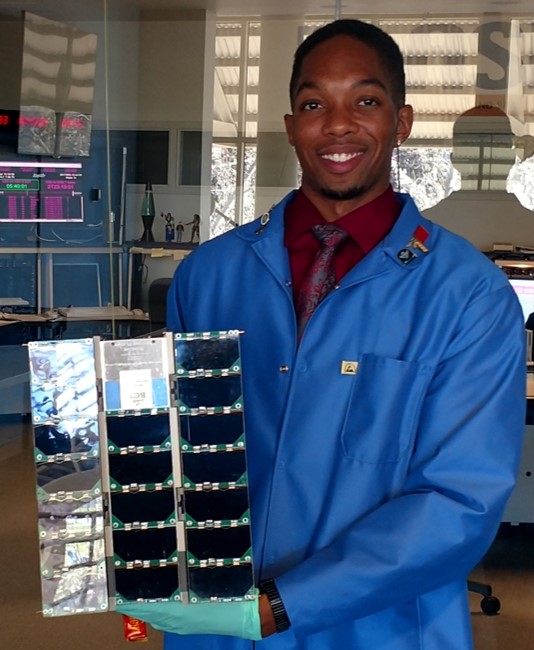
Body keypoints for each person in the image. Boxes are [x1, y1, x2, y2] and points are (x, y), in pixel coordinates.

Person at [119, 18, 526, 650]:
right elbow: (171, 453)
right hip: (216, 623)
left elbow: (459, 502)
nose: (338, 125)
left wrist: (279, 609)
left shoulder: (468, 296)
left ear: (403, 122)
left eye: (366, 101)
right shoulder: (208, 275)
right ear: (291, 126)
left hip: (381, 627)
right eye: (314, 104)